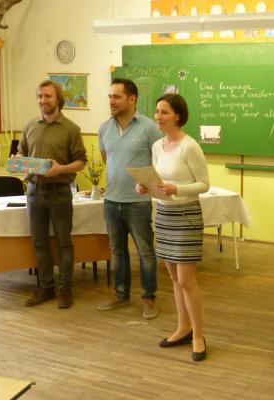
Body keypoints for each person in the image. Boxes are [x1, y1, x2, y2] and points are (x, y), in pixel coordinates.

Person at [136, 93, 210, 362]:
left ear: (178, 116)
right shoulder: (157, 146)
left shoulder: (190, 146)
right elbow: (158, 180)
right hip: (165, 215)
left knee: (187, 280)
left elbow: (204, 184)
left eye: (164, 112)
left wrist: (176, 188)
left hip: (186, 216)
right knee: (175, 279)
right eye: (157, 111)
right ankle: (182, 328)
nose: (158, 116)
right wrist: (145, 186)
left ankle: (198, 335)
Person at [97, 78, 162, 319]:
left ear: (132, 99)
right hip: (111, 201)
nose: (111, 101)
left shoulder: (149, 128)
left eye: (117, 97)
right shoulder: (104, 128)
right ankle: (121, 294)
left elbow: (160, 161)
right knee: (117, 251)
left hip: (137, 203)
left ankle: (149, 299)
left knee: (145, 252)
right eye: (110, 97)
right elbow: (107, 159)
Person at [19, 80, 87, 308]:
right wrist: (19, 162)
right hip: (34, 193)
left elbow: (80, 162)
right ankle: (46, 287)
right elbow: (21, 154)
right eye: (39, 96)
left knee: (64, 243)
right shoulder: (29, 126)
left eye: (47, 96)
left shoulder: (71, 129)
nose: (42, 100)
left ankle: (65, 288)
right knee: (39, 242)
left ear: (58, 99)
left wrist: (60, 169)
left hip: (60, 193)